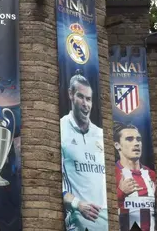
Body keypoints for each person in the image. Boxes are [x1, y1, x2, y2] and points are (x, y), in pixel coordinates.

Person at [60, 71, 108, 231]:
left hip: (107, 221)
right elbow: (53, 182)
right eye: (81, 97)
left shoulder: (100, 134)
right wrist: (77, 204)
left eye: (89, 99)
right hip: (78, 222)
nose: (85, 104)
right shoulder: (60, 129)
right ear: (70, 95)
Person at [114, 123, 157, 231]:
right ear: (117, 145)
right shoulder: (112, 173)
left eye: (138, 139)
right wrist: (120, 193)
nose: (136, 143)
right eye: (129, 139)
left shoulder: (151, 175)